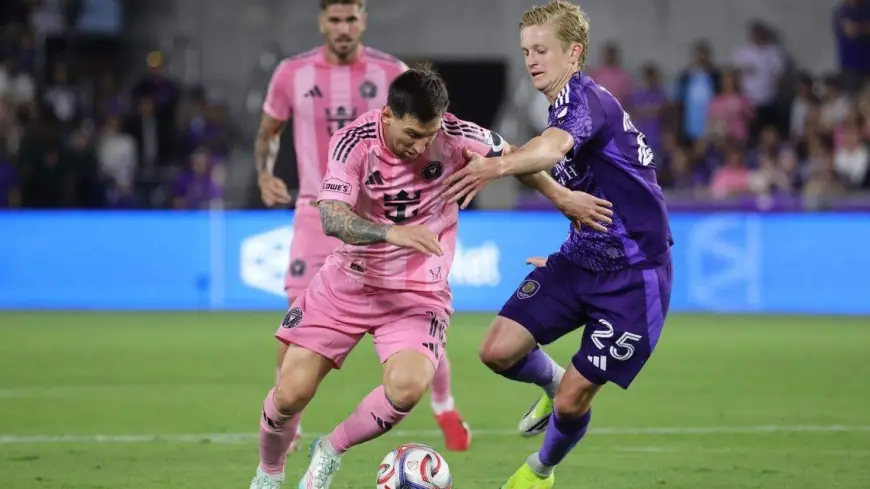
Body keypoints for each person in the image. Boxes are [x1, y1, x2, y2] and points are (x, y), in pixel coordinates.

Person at [250, 66, 596, 489]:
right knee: (290, 395)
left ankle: (330, 449)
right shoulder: (353, 143)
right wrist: (390, 233)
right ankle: (268, 474)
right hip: (348, 282)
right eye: (412, 134)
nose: (422, 145)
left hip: (418, 292)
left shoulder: (456, 135)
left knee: (408, 388)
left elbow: (518, 158)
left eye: (430, 134)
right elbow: (332, 218)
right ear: (388, 115)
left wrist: (561, 196)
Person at [443, 2, 673, 488]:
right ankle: (549, 382)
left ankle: (540, 472)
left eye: (541, 50)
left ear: (574, 53)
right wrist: (562, 197)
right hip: (580, 260)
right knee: (496, 351)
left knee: (575, 400)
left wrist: (496, 166)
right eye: (525, 51)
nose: (531, 60)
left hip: (634, 278)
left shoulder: (585, 100)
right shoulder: (560, 104)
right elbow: (539, 161)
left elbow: (546, 150)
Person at [252, 0, 470, 459]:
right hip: (318, 210)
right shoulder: (292, 73)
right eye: (335, 19)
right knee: (295, 324)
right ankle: (287, 427)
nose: (344, 28)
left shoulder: (392, 71)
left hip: (388, 212)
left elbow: (425, 123)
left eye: (352, 18)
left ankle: (444, 405)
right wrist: (264, 172)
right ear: (321, 21)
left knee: (415, 307)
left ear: (364, 20)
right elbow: (269, 131)